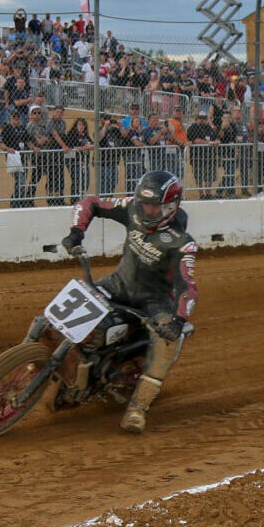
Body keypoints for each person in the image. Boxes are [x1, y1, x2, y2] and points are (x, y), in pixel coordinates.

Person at [60, 170, 198, 433]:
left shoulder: (182, 244)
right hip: (117, 284)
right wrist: (77, 232)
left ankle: (138, 408)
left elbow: (188, 287)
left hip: (155, 305)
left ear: (170, 206)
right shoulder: (132, 210)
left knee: (167, 343)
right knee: (72, 307)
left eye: (154, 206)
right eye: (144, 203)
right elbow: (90, 202)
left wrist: (179, 320)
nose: (146, 210)